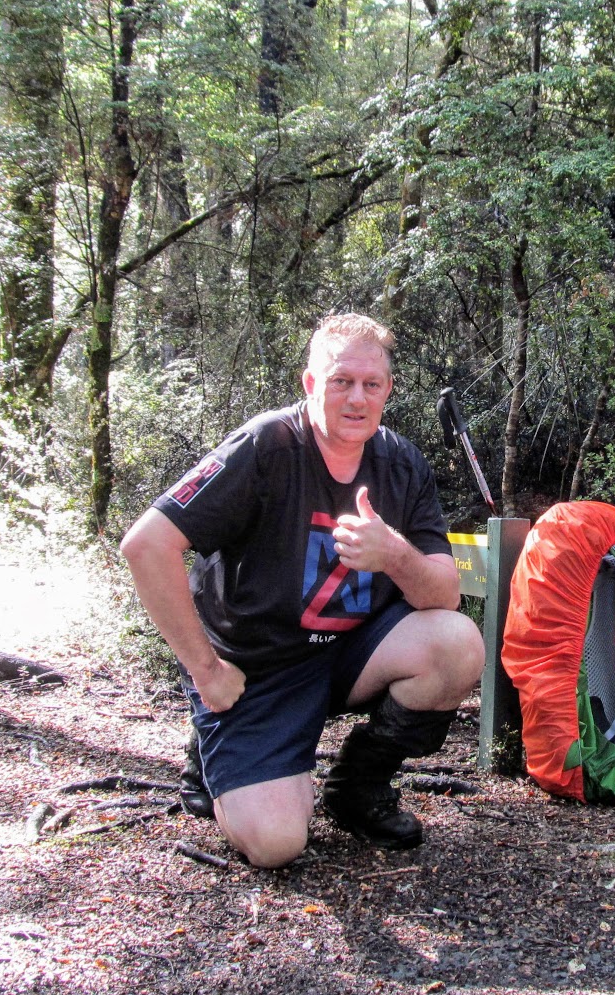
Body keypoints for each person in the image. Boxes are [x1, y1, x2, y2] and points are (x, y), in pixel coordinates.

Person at [120, 314, 483, 868]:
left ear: (388, 390)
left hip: (349, 655)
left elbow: (445, 595)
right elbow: (146, 546)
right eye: (341, 381)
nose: (356, 398)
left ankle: (359, 786)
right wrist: (205, 671)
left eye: (371, 384)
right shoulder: (266, 447)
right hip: (256, 672)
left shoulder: (403, 463)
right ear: (311, 384)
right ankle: (215, 745)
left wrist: (393, 554)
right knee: (276, 846)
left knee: (457, 643)